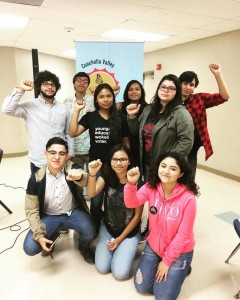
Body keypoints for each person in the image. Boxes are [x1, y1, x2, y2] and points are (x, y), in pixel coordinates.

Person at [124, 152, 200, 300]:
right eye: (163, 166)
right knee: (142, 286)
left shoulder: (188, 198)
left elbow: (183, 235)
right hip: (154, 245)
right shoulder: (150, 187)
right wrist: (131, 184)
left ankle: (182, 267)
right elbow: (131, 203)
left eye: (173, 168)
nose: (166, 171)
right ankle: (165, 264)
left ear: (180, 173)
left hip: (180, 251)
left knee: (162, 296)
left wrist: (166, 262)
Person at [23, 137, 96, 264]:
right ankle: (52, 236)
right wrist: (40, 236)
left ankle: (83, 248)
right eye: (52, 153)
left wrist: (79, 176)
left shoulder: (71, 168)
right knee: (30, 247)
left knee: (90, 230)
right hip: (49, 216)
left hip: (73, 212)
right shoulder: (36, 179)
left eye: (61, 154)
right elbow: (31, 210)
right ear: (45, 154)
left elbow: (82, 177)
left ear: (66, 156)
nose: (57, 157)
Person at [69, 83, 130, 232]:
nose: (105, 99)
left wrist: (127, 163)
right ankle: (95, 226)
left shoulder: (120, 117)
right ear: (96, 99)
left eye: (109, 96)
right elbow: (73, 132)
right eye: (101, 96)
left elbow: (126, 143)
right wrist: (77, 110)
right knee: (95, 202)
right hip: (97, 168)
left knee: (114, 200)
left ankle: (112, 225)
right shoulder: (90, 117)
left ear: (113, 97)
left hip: (117, 167)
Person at [87, 144, 143, 280]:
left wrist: (119, 240)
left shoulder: (137, 183)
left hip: (129, 233)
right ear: (110, 160)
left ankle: (125, 247)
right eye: (115, 159)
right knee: (102, 267)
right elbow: (91, 193)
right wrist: (92, 174)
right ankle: (119, 249)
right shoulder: (107, 176)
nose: (118, 163)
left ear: (129, 161)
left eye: (123, 159)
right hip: (108, 228)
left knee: (120, 273)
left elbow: (136, 217)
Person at [1, 70, 74, 174]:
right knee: (38, 189)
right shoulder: (30, 105)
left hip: (60, 158)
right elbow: (6, 109)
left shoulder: (64, 108)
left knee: (60, 189)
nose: (50, 87)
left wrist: (70, 152)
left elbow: (68, 132)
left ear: (56, 87)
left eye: (53, 84)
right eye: (46, 84)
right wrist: (21, 89)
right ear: (39, 86)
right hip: (38, 160)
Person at [126, 74, 194, 181]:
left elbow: (186, 142)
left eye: (171, 88)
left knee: (163, 195)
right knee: (151, 194)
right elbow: (136, 132)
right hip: (147, 162)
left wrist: (167, 161)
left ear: (177, 92)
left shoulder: (181, 114)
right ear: (158, 89)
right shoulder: (149, 109)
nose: (166, 90)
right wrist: (132, 116)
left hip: (167, 167)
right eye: (163, 87)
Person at [179, 63, 230, 178]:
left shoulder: (199, 99)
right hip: (176, 144)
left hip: (193, 145)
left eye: (191, 85)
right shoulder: (172, 102)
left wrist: (218, 75)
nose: (188, 87)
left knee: (189, 177)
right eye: (185, 83)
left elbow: (224, 97)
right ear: (179, 84)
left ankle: (187, 194)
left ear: (195, 87)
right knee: (174, 174)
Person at [64, 72, 95, 201]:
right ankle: (77, 202)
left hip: (91, 147)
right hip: (73, 148)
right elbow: (65, 124)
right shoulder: (66, 101)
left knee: (93, 177)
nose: (82, 83)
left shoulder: (94, 100)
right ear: (74, 83)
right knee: (75, 178)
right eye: (79, 80)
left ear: (88, 84)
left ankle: (93, 198)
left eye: (85, 81)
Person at [121, 80, 148, 167]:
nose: (134, 92)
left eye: (137, 89)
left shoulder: (148, 109)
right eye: (131, 89)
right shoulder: (120, 107)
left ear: (142, 92)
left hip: (141, 148)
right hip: (122, 147)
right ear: (126, 92)